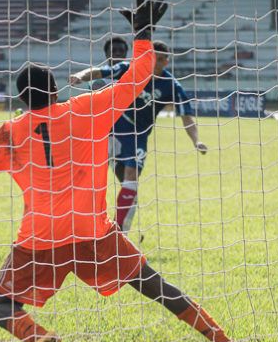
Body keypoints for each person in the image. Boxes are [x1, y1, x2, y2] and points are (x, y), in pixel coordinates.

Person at [0, 0, 248, 342]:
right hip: (92, 230)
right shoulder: (86, 109)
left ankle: (39, 337)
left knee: (0, 307)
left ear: (23, 102)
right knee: (154, 284)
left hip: (41, 238)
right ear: (56, 90)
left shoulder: (13, 131)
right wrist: (143, 32)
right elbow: (136, 78)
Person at [70, 40, 207, 233]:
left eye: (160, 59)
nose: (155, 62)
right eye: (152, 58)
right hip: (112, 130)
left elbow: (186, 115)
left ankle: (119, 232)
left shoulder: (171, 86)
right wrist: (80, 76)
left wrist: (196, 140)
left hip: (137, 136)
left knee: (130, 179)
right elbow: (101, 71)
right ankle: (79, 223)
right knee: (88, 174)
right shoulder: (131, 69)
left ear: (166, 62)